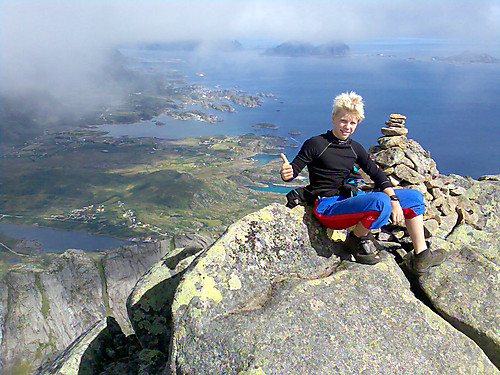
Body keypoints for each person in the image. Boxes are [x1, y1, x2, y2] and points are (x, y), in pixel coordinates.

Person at [280, 91, 446, 274]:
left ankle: (422, 256)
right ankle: (356, 238)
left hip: (349, 200)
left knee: (414, 197)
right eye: (344, 121)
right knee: (380, 201)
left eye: (353, 123)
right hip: (327, 206)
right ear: (333, 117)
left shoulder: (354, 148)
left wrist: (395, 200)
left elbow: (378, 175)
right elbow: (293, 171)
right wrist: (288, 173)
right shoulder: (316, 144)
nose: (347, 127)